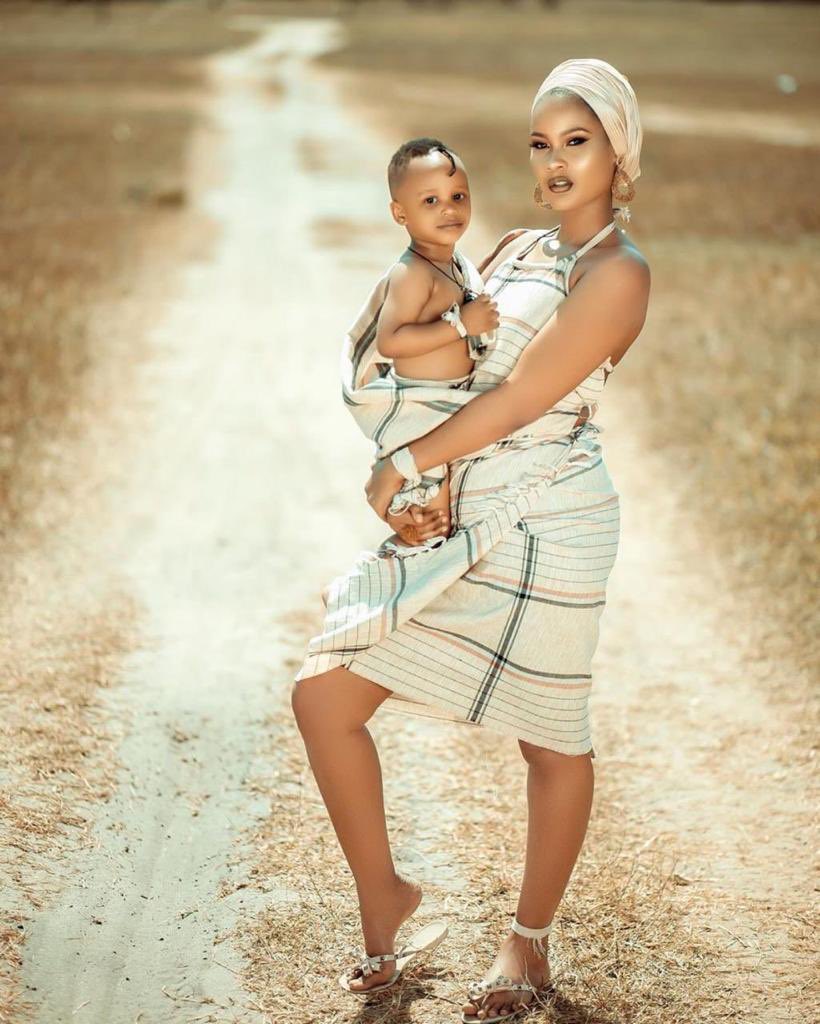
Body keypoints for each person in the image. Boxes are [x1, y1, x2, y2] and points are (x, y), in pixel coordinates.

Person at [291, 57, 650, 1024]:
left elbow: (526, 396)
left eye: (577, 141)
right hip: (468, 505)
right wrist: (422, 487)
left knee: (553, 736)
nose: (556, 161)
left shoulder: (620, 273)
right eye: (541, 142)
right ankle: (385, 897)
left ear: (618, 150)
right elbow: (455, 374)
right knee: (324, 696)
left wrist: (406, 464)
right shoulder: (518, 246)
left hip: (557, 517)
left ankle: (527, 943)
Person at [341, 136, 500, 553]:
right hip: (423, 407)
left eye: (458, 196)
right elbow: (392, 340)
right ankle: (406, 553)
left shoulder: (452, 264)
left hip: (449, 400)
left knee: (452, 502)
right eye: (430, 201)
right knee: (434, 522)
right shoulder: (412, 273)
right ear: (400, 213)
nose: (448, 209)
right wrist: (461, 325)